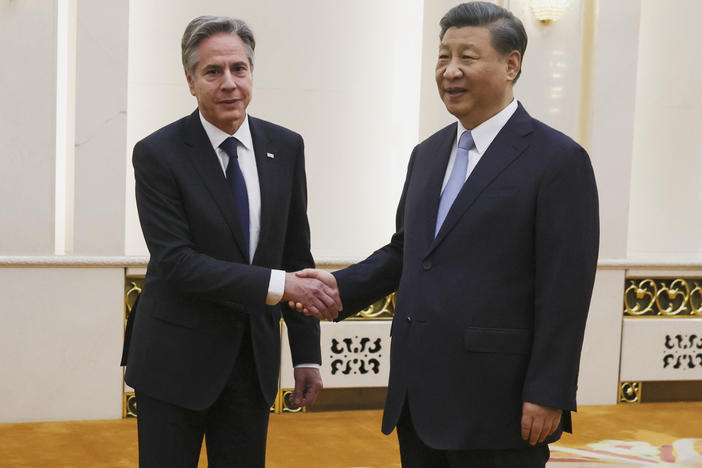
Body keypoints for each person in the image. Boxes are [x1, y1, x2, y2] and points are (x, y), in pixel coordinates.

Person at [293, 2, 599, 466]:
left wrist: (548, 390)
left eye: (467, 57)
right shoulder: (428, 154)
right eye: (442, 56)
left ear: (511, 64)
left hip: (502, 403)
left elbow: (566, 290)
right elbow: (408, 251)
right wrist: (340, 287)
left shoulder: (558, 160)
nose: (449, 71)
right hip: (419, 396)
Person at [121, 16, 341, 468]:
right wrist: (281, 286)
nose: (229, 83)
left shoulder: (286, 147)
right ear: (190, 80)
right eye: (213, 71)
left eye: (239, 69)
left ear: (252, 74)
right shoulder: (157, 153)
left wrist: (306, 357)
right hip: (173, 364)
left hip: (251, 364)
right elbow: (179, 263)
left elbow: (296, 255)